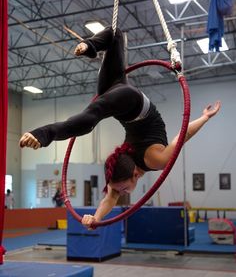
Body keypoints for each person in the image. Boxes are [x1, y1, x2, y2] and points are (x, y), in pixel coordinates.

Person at [19, 26, 221, 229]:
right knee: (94, 112)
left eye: (121, 189)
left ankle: (44, 133)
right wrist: (205, 117)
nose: (122, 193)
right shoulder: (150, 162)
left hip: (128, 101)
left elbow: (110, 197)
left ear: (134, 174)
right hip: (126, 105)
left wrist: (95, 217)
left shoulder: (145, 164)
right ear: (135, 174)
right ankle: (90, 47)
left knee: (114, 39)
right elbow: (182, 134)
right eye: (122, 190)